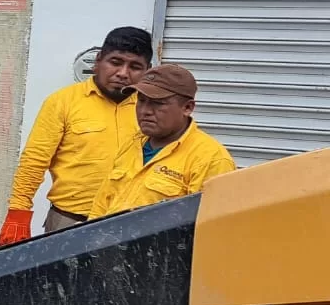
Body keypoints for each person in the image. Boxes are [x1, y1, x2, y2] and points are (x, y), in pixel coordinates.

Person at [0, 27, 152, 244]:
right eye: (115, 62)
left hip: (132, 224)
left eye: (135, 66)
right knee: (60, 278)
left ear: (148, 70)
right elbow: (35, 159)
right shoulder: (63, 102)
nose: (123, 73)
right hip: (68, 223)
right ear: (98, 60)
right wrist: (19, 211)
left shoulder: (151, 109)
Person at [88, 64, 235, 219]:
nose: (145, 111)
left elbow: (209, 226)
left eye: (157, 103)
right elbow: (101, 205)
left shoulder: (212, 159)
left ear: (187, 107)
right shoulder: (133, 143)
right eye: (141, 100)